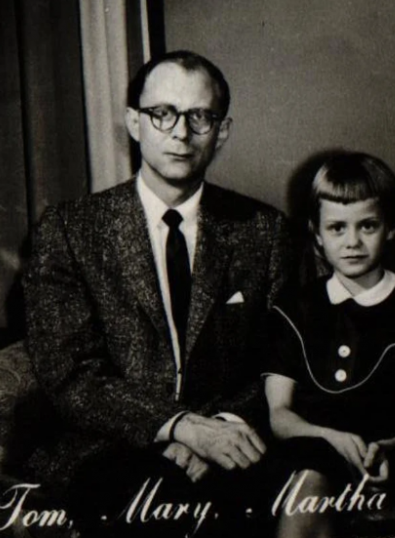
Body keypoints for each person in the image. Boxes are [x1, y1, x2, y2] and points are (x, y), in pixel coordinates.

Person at [23, 50, 296, 535]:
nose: (181, 133)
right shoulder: (70, 230)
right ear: (134, 122)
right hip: (107, 444)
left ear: (223, 131)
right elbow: (70, 375)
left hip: (234, 439)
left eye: (200, 117)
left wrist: (220, 429)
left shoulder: (264, 232)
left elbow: (284, 362)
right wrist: (181, 426)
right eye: (163, 114)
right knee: (150, 505)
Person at [264, 153, 395, 538]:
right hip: (311, 452)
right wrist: (331, 438)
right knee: (308, 481)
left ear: (391, 228)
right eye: (337, 228)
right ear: (316, 233)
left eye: (368, 226)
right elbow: (279, 414)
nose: (352, 242)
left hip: (393, 456)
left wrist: (389, 449)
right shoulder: (293, 310)